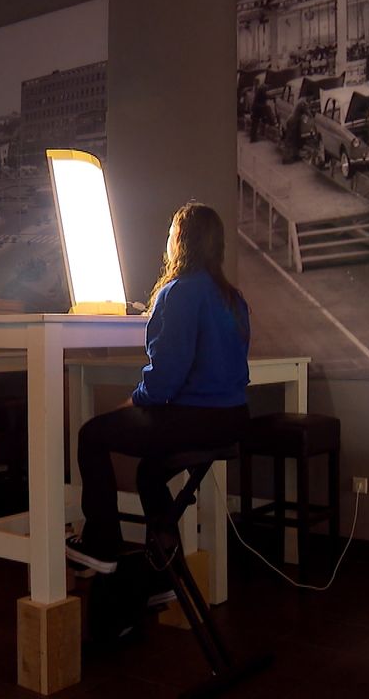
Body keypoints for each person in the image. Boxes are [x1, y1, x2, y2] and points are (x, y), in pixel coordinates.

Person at [67, 203, 251, 574]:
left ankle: (101, 544)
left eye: (170, 233)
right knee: (150, 474)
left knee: (91, 435)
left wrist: (133, 400)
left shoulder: (179, 292)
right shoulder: (233, 298)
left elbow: (165, 379)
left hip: (195, 420)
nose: (166, 240)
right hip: (233, 420)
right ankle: (165, 571)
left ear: (181, 241)